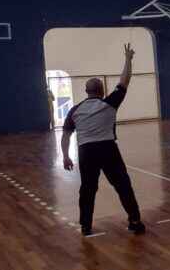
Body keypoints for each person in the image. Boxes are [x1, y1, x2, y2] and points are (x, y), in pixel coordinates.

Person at [60, 43, 145, 236]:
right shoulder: (109, 104)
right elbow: (125, 81)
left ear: (86, 91)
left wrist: (65, 156)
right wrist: (128, 59)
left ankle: (86, 226)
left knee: (88, 189)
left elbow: (65, 135)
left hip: (86, 151)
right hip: (108, 149)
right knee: (123, 185)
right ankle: (135, 221)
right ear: (102, 90)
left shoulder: (75, 110)